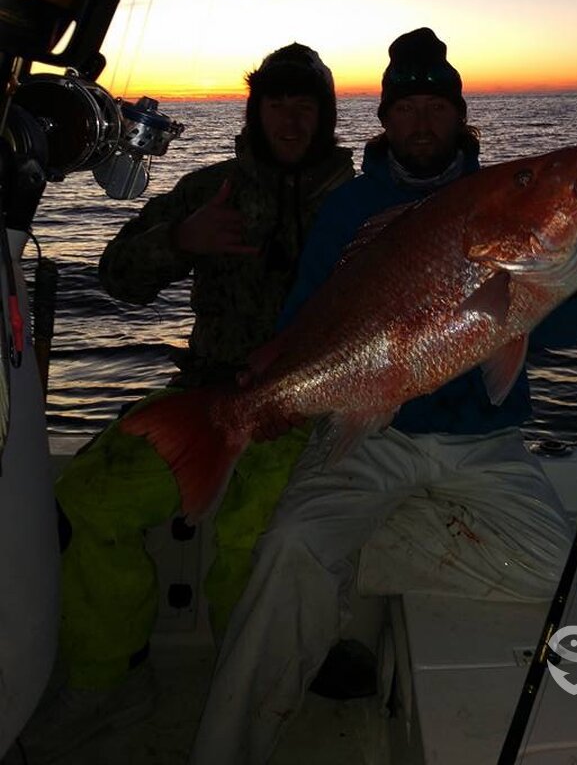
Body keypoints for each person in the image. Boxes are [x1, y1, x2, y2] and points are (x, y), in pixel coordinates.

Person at [189, 28, 577, 765]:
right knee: (288, 548)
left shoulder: (498, 202)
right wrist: (272, 390)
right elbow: (304, 321)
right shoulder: (352, 207)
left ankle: (358, 551)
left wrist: (572, 256)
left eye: (436, 107)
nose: (421, 122)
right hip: (373, 433)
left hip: (486, 441)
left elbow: (571, 329)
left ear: (460, 116)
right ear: (384, 119)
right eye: (405, 108)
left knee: (559, 571)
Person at [15, 44, 354, 762]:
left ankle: (251, 703)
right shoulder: (210, 189)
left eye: (306, 106)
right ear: (254, 111)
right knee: (81, 504)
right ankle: (108, 681)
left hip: (308, 408)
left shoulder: (359, 205)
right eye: (276, 104)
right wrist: (180, 240)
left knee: (252, 545)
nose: (291, 120)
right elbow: (116, 275)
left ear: (327, 116)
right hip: (204, 397)